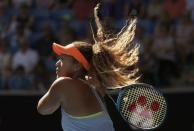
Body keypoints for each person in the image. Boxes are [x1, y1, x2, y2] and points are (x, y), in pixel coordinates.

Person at [37, 4, 139, 131]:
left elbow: (43, 109)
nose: (57, 63)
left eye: (62, 59)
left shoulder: (63, 84)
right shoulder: (95, 89)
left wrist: (57, 85)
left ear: (77, 65)